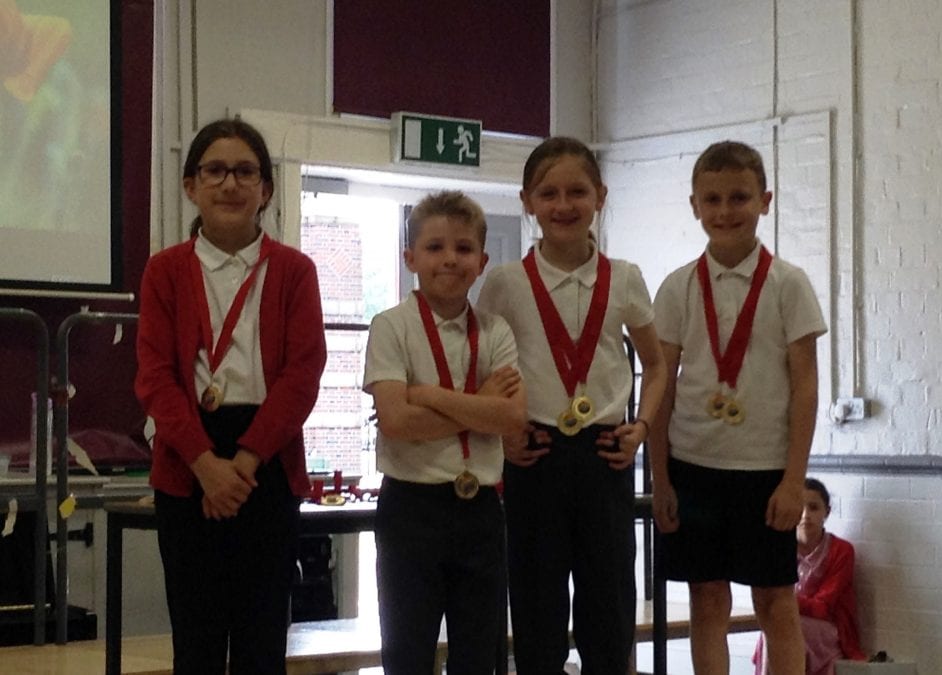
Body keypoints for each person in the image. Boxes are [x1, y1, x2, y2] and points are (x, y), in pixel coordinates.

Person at [135, 118, 327, 675]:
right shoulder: (165, 271)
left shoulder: (294, 271)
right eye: (214, 170)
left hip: (263, 462)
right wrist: (205, 466)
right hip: (187, 463)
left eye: (246, 171)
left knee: (261, 641)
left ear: (265, 189)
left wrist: (241, 464)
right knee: (195, 642)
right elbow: (154, 376)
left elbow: (302, 375)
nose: (230, 183)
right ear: (192, 186)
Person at [477, 136, 666, 674]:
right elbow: (486, 371)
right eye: (549, 193)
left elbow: (655, 364)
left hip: (605, 454)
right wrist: (503, 435)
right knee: (537, 607)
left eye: (577, 192)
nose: (564, 205)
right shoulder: (506, 282)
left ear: (600, 197)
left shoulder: (624, 276)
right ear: (527, 201)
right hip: (533, 454)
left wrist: (643, 426)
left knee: (608, 611)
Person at [650, 140, 827, 675]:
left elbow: (806, 386)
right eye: (713, 199)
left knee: (775, 601)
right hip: (694, 466)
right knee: (707, 600)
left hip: (765, 470)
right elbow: (661, 386)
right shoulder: (678, 286)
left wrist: (794, 479)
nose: (725, 211)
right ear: (695, 206)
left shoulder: (788, 284)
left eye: (739, 198)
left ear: (765, 201)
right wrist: (659, 478)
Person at [363, 190, 527, 673]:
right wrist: (482, 404)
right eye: (434, 248)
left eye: (462, 248)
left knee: (478, 655)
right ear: (410, 257)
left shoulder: (496, 330)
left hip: (480, 511)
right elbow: (396, 422)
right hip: (411, 509)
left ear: (482, 260)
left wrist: (429, 395)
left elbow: (512, 419)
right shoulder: (391, 327)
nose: (449, 259)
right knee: (408, 652)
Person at [753, 478, 867, 674]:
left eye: (814, 508)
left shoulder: (841, 550)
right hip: (790, 621)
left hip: (829, 629)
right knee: (774, 629)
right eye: (800, 508)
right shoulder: (780, 549)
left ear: (827, 512)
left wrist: (785, 601)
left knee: (783, 628)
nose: (806, 515)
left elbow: (824, 607)